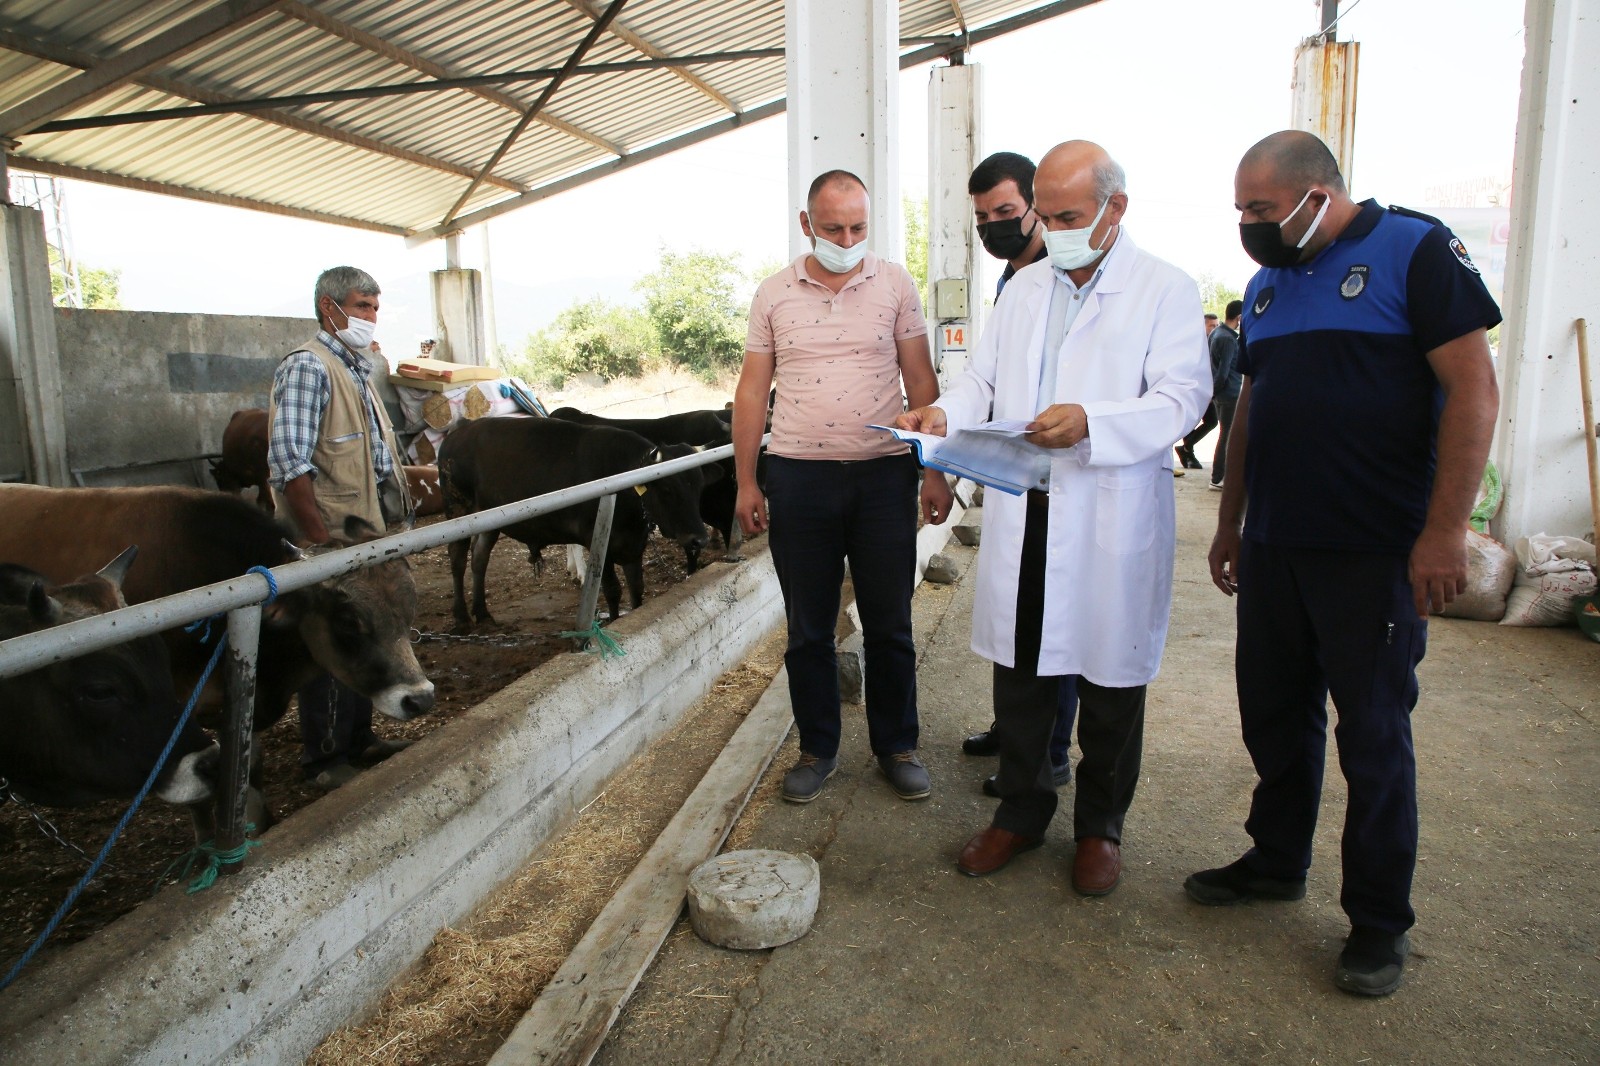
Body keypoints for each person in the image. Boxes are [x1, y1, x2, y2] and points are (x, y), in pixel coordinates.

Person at [1187, 131, 1501, 997]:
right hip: (1279, 543)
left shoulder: (1416, 249)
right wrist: (1231, 519)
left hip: (1376, 550)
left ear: (1317, 194)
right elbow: (1252, 405)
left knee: (1371, 734)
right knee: (1275, 714)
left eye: (1260, 208)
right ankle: (1276, 861)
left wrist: (1445, 533)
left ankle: (1377, 922)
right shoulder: (1268, 282)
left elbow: (1474, 388)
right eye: (1241, 210)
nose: (1249, 225)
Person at [898, 141, 1209, 895]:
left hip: (1109, 513)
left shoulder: (1163, 288)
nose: (1057, 227)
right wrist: (946, 411)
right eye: (1050, 213)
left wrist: (1092, 421)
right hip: (1026, 503)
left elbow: (1182, 400)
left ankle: (1100, 829)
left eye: (1072, 215)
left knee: (1110, 682)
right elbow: (985, 380)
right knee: (1024, 676)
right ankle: (1022, 813)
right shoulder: (1025, 289)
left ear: (1116, 209)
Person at [732, 170, 952, 804]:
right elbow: (752, 390)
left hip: (885, 475)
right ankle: (817, 748)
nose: (847, 239)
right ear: (807, 225)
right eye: (833, 228)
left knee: (890, 623)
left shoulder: (895, 284)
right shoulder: (775, 293)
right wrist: (747, 480)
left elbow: (921, 383)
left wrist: (933, 468)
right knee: (809, 628)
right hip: (799, 478)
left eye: (858, 227)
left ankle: (897, 745)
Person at [268, 265, 415, 790]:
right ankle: (325, 758)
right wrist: (316, 540)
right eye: (360, 306)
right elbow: (289, 461)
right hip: (327, 536)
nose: (370, 318)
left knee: (366, 635)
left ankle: (360, 741)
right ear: (328, 308)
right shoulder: (310, 367)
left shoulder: (356, 368)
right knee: (332, 638)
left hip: (361, 534)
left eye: (374, 308)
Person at [963, 150, 1079, 797]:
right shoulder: (1015, 279)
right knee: (1017, 620)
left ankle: (1050, 753)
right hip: (1018, 472)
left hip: (1063, 476)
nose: (994, 227)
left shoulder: (1061, 272)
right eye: (983, 217)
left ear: (1035, 206)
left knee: (1050, 622)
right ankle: (1015, 732)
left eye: (1006, 212)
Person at [1206, 300, 1243, 490]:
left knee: (1224, 435)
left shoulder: (1216, 333)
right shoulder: (1228, 339)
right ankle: (1218, 477)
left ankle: (1218, 476)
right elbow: (1224, 371)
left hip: (1220, 394)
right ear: (1239, 317)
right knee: (1228, 436)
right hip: (1229, 393)